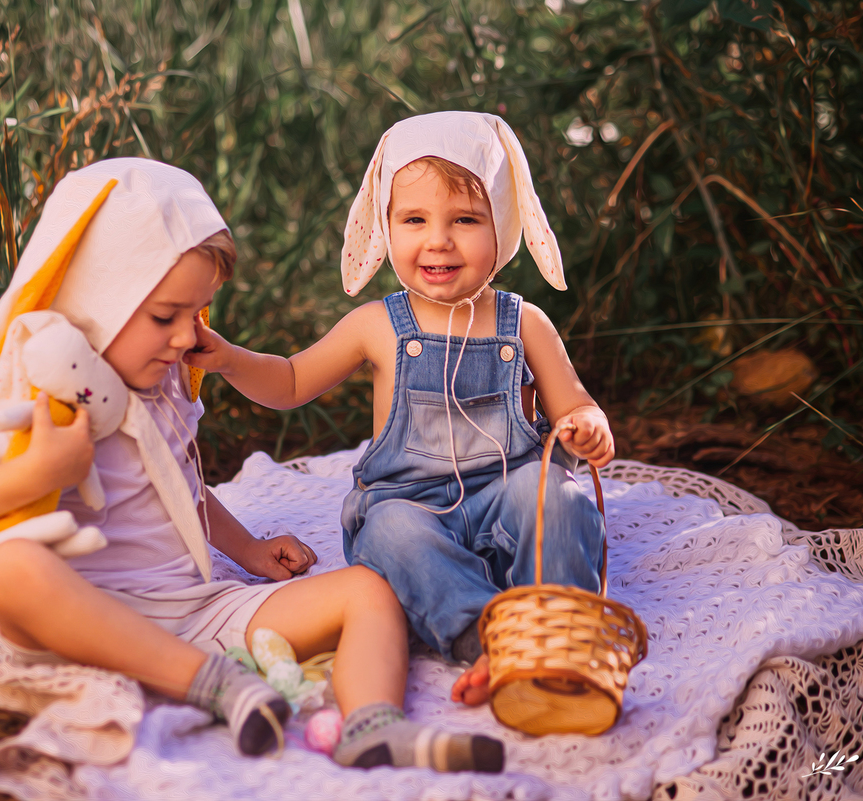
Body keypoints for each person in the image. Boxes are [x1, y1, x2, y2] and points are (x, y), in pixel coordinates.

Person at [0, 158, 504, 772]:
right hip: (83, 616)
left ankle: (372, 724)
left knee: (369, 589)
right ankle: (216, 686)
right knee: (12, 570)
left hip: (197, 610)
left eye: (197, 313)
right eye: (165, 317)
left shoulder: (167, 385)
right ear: (99, 298)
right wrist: (34, 474)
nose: (187, 337)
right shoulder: (41, 398)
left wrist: (250, 551)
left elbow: (177, 486)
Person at [185, 112, 614, 709]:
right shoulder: (378, 326)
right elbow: (289, 380)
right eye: (414, 220)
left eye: (465, 219)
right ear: (386, 227)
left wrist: (588, 427)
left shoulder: (525, 323)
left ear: (504, 225)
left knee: (557, 497)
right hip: (413, 510)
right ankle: (486, 637)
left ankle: (559, 626)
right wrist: (229, 358)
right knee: (390, 531)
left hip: (509, 503)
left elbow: (575, 405)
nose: (438, 240)